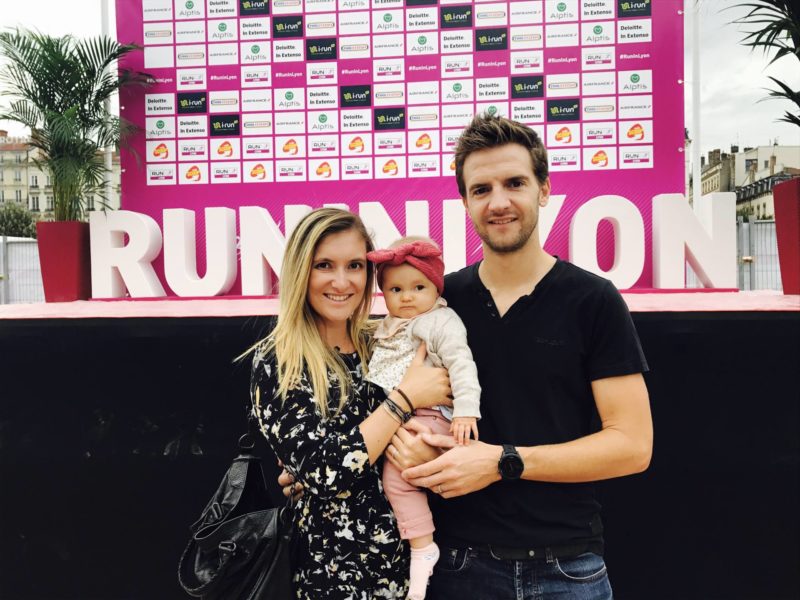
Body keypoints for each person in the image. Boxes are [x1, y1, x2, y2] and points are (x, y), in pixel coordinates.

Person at [381, 114, 654, 599]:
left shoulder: (592, 300)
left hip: (567, 569)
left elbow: (633, 446)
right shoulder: (439, 302)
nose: (499, 202)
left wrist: (503, 462)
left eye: (515, 183)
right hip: (457, 567)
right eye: (481, 189)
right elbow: (389, 392)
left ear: (543, 190)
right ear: (465, 202)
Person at [249, 208, 451, 599]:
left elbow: (443, 410)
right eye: (324, 265)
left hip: (418, 573)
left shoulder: (383, 342)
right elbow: (325, 474)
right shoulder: (280, 360)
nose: (342, 282)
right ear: (300, 271)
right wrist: (404, 399)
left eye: (355, 266)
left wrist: (430, 449)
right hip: (336, 579)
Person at [365, 236, 482, 599]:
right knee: (388, 475)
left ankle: (422, 548)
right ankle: (418, 547)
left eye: (419, 287)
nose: (407, 297)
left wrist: (466, 411)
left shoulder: (439, 321)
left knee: (398, 479)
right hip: (400, 412)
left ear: (436, 287)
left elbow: (462, 364)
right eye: (396, 289)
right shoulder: (388, 325)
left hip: (432, 413)